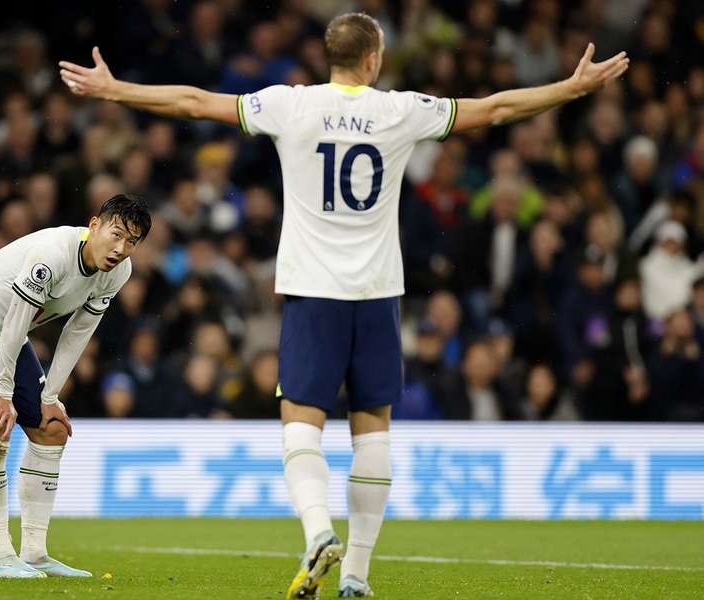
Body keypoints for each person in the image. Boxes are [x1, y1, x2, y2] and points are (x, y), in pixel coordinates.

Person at [59, 12, 628, 598]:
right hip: (378, 295)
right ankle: (356, 573)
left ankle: (315, 533)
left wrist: (115, 89)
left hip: (313, 291)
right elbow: (496, 109)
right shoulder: (401, 110)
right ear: (374, 58)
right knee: (373, 431)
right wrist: (571, 87)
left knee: (301, 423)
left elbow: (194, 101)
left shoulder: (290, 105)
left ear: (329, 56)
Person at [0, 194, 150, 578]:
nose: (120, 249)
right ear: (94, 224)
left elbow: (78, 332)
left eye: (132, 242)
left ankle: (34, 554)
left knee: (51, 432)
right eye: (116, 235)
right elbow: (17, 321)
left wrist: (50, 398)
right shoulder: (52, 254)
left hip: (7, 335)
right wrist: (2, 395)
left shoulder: (119, 272)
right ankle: (1, 556)